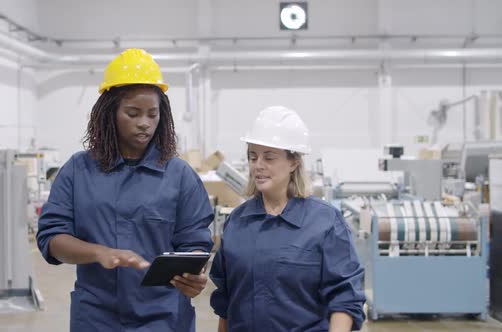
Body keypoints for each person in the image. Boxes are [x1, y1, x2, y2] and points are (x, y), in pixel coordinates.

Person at [37, 48, 214, 331]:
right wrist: (98, 252)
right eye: (132, 113)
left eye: (152, 114)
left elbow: (195, 244)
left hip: (163, 318)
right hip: (96, 318)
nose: (144, 123)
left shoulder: (179, 175)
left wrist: (195, 278)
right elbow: (51, 239)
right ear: (110, 113)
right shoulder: (77, 171)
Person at [209, 106, 366, 332]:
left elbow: (345, 296)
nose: (258, 166)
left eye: (269, 157)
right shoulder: (238, 222)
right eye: (253, 157)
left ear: (294, 162)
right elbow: (226, 301)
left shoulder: (325, 222)